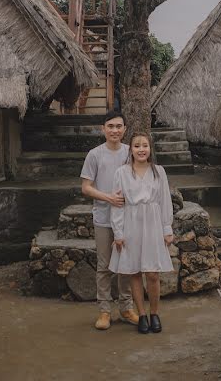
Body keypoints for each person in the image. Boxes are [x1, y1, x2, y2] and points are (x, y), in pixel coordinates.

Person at [109, 131, 175, 334]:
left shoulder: (159, 172)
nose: (141, 149)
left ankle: (154, 313)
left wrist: (167, 228)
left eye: (144, 145)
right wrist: (118, 233)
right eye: (137, 146)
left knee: (152, 273)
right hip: (131, 223)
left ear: (150, 149)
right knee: (135, 272)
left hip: (153, 223)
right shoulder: (121, 172)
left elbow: (165, 201)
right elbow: (118, 205)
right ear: (131, 150)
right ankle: (142, 315)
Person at [80, 111, 138, 330]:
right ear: (103, 129)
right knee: (104, 266)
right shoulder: (94, 155)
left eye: (119, 126)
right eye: (110, 126)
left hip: (128, 220)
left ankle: (126, 308)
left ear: (125, 129)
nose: (115, 130)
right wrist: (109, 198)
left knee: (126, 265)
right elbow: (85, 188)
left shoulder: (129, 153)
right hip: (103, 218)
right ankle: (104, 311)